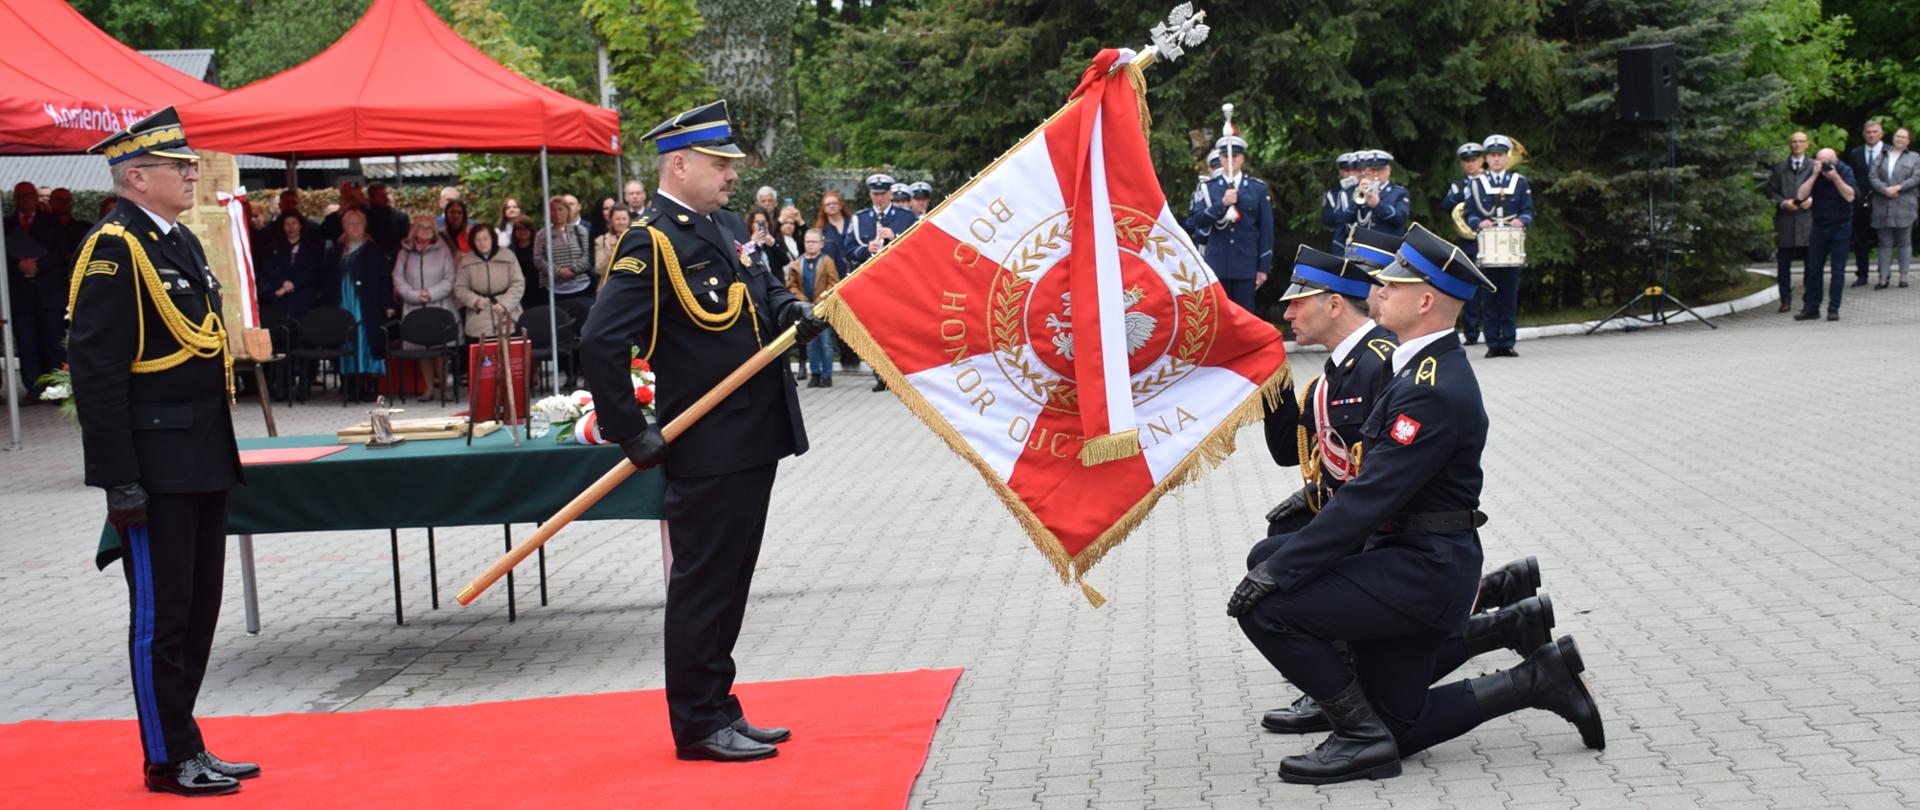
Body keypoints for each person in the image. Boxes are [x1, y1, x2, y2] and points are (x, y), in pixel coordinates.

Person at [1229, 224, 1602, 784]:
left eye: (1391, 285)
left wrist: (1281, 570)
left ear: (1424, 300)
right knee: (1395, 726)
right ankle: (1538, 679)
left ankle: (1356, 736)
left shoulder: (1430, 386)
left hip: (1421, 570)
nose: (1376, 290)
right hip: (1416, 560)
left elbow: (1371, 494)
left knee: (1265, 608)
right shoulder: (1415, 368)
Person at [578, 99, 827, 763]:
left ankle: (721, 708)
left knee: (730, 583)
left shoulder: (721, 226)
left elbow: (763, 287)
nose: (731, 176)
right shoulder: (651, 240)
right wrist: (631, 431)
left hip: (755, 435)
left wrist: (795, 311)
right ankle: (695, 724)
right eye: (719, 164)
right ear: (680, 164)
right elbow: (600, 342)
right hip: (708, 441)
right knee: (701, 586)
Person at [65, 107, 258, 797]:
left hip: (202, 458)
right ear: (135, 177)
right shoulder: (114, 248)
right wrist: (119, 481)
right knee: (161, 618)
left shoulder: (179, 242)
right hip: (154, 467)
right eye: (176, 165)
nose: (189, 172)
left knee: (199, 610)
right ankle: (165, 757)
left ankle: (187, 742)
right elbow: (96, 373)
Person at [1259, 244, 1397, 539]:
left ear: (1335, 306)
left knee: (1272, 557)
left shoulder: (1384, 363)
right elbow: (1287, 450)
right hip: (1357, 513)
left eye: (1298, 303)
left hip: (1384, 526)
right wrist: (1271, 373)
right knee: (1282, 529)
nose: (1287, 315)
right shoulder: (1336, 371)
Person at [1187, 133, 1276, 313]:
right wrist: (1222, 204)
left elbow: (1266, 230)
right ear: (1220, 158)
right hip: (1216, 264)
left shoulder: (1256, 189)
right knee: (1219, 318)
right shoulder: (1209, 188)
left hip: (1245, 264)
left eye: (1234, 156)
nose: (1230, 160)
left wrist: (1263, 267)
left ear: (1242, 158)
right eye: (1226, 156)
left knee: (1245, 317)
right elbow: (1198, 220)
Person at [1465, 136, 1533, 358]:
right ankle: (1493, 343)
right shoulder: (1478, 184)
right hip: (1487, 247)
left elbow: (1528, 210)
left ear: (1506, 157)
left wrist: (1521, 220)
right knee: (1490, 297)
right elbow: (1469, 213)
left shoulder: (1519, 182)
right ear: (1487, 158)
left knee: (1509, 296)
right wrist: (1478, 223)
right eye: (1492, 155)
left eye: (1500, 155)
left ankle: (1508, 342)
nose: (1496, 159)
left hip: (1511, 248)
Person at [319, 208, 392, 399]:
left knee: (367, 341)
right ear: (344, 227)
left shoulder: (375, 250)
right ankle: (351, 386)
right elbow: (326, 280)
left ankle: (371, 387)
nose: (354, 227)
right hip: (343, 303)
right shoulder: (335, 252)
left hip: (367, 304)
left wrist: (387, 304)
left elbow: (385, 279)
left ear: (364, 226)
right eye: (350, 224)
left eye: (358, 223)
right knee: (346, 339)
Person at [393, 215, 458, 399]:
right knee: (421, 349)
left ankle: (444, 387)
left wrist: (429, 293)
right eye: (421, 227)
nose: (426, 231)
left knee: (440, 349)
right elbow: (398, 278)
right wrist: (414, 295)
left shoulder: (444, 251)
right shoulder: (404, 252)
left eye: (430, 228)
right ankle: (428, 388)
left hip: (439, 305)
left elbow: (450, 278)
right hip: (414, 307)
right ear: (414, 230)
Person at [1794, 148, 1857, 321]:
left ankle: (1833, 309)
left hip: (1840, 226)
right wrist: (1814, 175)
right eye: (1820, 162)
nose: (1823, 166)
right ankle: (1812, 308)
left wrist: (1835, 177)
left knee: (1837, 270)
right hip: (1819, 226)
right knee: (1814, 269)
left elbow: (1850, 196)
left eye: (1826, 162)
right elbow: (1800, 196)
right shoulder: (1814, 171)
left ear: (1835, 160)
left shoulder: (1845, 171)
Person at [6, 181, 58, 390]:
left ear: (35, 198)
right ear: (14, 199)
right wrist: (18, 265)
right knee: (27, 343)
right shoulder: (6, 224)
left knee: (53, 341)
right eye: (20, 195)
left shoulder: (51, 222)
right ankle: (33, 388)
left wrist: (37, 265)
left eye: (28, 195)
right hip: (20, 294)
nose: (24, 199)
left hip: (48, 292)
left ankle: (57, 387)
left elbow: (59, 252)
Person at [1441, 143, 1488, 340]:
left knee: (1491, 288)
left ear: (1481, 161)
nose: (1471, 165)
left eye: (1474, 160)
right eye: (1467, 161)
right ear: (1462, 164)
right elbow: (1446, 206)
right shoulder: (1458, 186)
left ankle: (1493, 330)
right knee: (1470, 289)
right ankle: (1471, 331)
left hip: (1489, 241)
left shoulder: (1489, 183)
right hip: (1468, 243)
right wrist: (1464, 192)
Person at [1765, 133, 1816, 312]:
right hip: (1785, 221)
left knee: (1810, 263)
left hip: (1807, 221)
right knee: (1783, 264)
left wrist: (1813, 200)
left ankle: (1809, 298)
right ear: (1789, 144)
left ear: (1807, 144)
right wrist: (1783, 203)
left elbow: (1822, 188)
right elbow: (1770, 192)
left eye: (1801, 141)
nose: (1797, 144)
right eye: (1794, 141)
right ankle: (1785, 299)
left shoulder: (1814, 166)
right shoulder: (1779, 168)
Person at [453, 223, 525, 343]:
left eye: (486, 239)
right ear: (472, 242)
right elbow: (460, 288)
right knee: (484, 358)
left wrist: (504, 303)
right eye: (478, 240)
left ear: (492, 238)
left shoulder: (508, 256)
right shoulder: (466, 261)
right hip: (479, 316)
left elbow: (518, 283)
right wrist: (474, 300)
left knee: (510, 356)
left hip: (507, 314)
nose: (482, 243)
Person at [787, 227, 841, 387]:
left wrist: (820, 299)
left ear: (821, 244)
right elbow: (791, 285)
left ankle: (827, 375)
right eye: (807, 241)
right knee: (811, 344)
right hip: (806, 310)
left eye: (813, 241)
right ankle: (815, 374)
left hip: (822, 308)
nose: (810, 245)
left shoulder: (827, 261)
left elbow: (833, 283)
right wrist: (802, 300)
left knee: (825, 343)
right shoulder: (798, 263)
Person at [1868, 126, 1917, 289]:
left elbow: (1916, 177)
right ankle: (1883, 277)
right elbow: (1872, 175)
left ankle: (1903, 276)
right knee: (1884, 243)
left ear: (1908, 141)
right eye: (1897, 136)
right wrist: (1884, 189)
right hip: (1882, 203)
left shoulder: (1915, 157)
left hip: (1904, 203)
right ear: (1893, 137)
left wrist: (1898, 188)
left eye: (1903, 137)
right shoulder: (1882, 155)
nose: (1900, 139)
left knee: (1904, 241)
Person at [1845, 120, 1885, 288]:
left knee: (1884, 238)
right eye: (1868, 132)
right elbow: (1852, 177)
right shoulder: (1855, 153)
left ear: (1881, 133)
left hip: (1884, 200)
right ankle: (1862, 274)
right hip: (1861, 202)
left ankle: (1885, 275)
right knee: (1860, 239)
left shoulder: (1890, 152)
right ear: (1863, 134)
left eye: (1875, 131)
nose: (1871, 135)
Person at [534, 195, 595, 303]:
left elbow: (587, 255)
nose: (557, 213)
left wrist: (573, 270)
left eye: (560, 209)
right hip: (554, 290)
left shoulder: (580, 230)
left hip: (581, 287)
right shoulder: (542, 234)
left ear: (567, 210)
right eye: (553, 210)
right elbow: (538, 259)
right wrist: (558, 271)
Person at [1321, 152, 1361, 251]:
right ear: (1341, 172)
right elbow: (1328, 219)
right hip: (1341, 240)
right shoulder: (1333, 194)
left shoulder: (1363, 189)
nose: (1350, 174)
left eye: (1353, 170)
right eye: (1347, 170)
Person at [364, 182, 411, 261]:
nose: (386, 198)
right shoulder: (362, 217)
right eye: (381, 196)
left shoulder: (401, 217)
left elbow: (405, 242)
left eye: (386, 195)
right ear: (371, 197)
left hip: (394, 263)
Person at [593, 204, 632, 279]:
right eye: (617, 219)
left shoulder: (635, 238)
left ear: (629, 220)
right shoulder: (601, 240)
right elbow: (599, 269)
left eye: (624, 219)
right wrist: (611, 252)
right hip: (610, 282)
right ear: (611, 220)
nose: (621, 222)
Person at [508, 215, 539, 295]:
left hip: (538, 290)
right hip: (516, 291)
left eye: (525, 228)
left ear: (531, 230)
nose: (522, 232)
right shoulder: (509, 250)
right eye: (518, 229)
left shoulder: (539, 247)